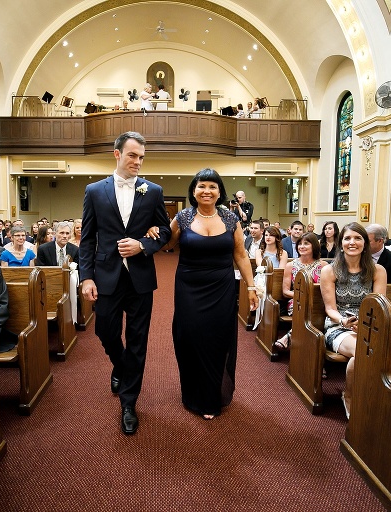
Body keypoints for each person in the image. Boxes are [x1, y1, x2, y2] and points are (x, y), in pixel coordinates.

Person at [79, 131, 171, 435]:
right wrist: (87, 277)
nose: (138, 162)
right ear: (117, 154)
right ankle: (121, 366)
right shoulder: (94, 191)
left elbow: (165, 232)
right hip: (106, 275)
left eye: (142, 157)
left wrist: (143, 245)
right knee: (105, 330)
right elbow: (88, 238)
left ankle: (129, 403)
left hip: (140, 278)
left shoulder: (153, 191)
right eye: (132, 155)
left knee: (137, 339)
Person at [164, 168, 258, 420]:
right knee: (190, 337)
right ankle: (193, 391)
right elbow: (167, 244)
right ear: (194, 191)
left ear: (219, 192)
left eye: (212, 186)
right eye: (202, 186)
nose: (207, 191)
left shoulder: (230, 219)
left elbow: (241, 255)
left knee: (217, 338)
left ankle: (210, 395)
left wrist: (250, 287)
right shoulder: (183, 217)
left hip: (221, 287)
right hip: (189, 288)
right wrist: (154, 229)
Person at [320, 222, 387, 418]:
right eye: (347, 238)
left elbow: (378, 304)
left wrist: (366, 324)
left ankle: (368, 395)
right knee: (363, 351)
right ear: (341, 244)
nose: (352, 242)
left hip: (370, 324)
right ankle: (350, 396)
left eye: (357, 238)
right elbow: (330, 309)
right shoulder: (330, 271)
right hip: (338, 325)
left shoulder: (378, 270)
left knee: (380, 350)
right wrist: (343, 321)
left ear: (365, 244)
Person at [274, 233, 324, 351]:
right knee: (306, 311)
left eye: (306, 243)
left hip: (318, 303)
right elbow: (286, 291)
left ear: (314, 246)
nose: (302, 246)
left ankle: (289, 337)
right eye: (300, 244)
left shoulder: (323, 265)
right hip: (296, 302)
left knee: (316, 311)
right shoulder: (290, 265)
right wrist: (303, 296)